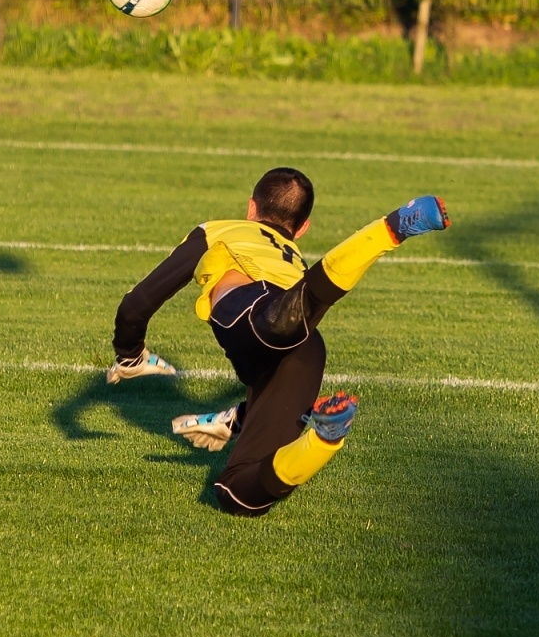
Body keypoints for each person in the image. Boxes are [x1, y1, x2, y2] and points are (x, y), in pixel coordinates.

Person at [106, 167, 450, 516]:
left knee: (288, 314)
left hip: (259, 315)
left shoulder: (217, 230)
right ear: (302, 229)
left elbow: (138, 302)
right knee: (238, 496)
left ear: (251, 207)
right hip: (306, 348)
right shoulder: (293, 256)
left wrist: (130, 354)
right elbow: (261, 363)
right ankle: (323, 438)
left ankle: (392, 227)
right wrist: (239, 419)